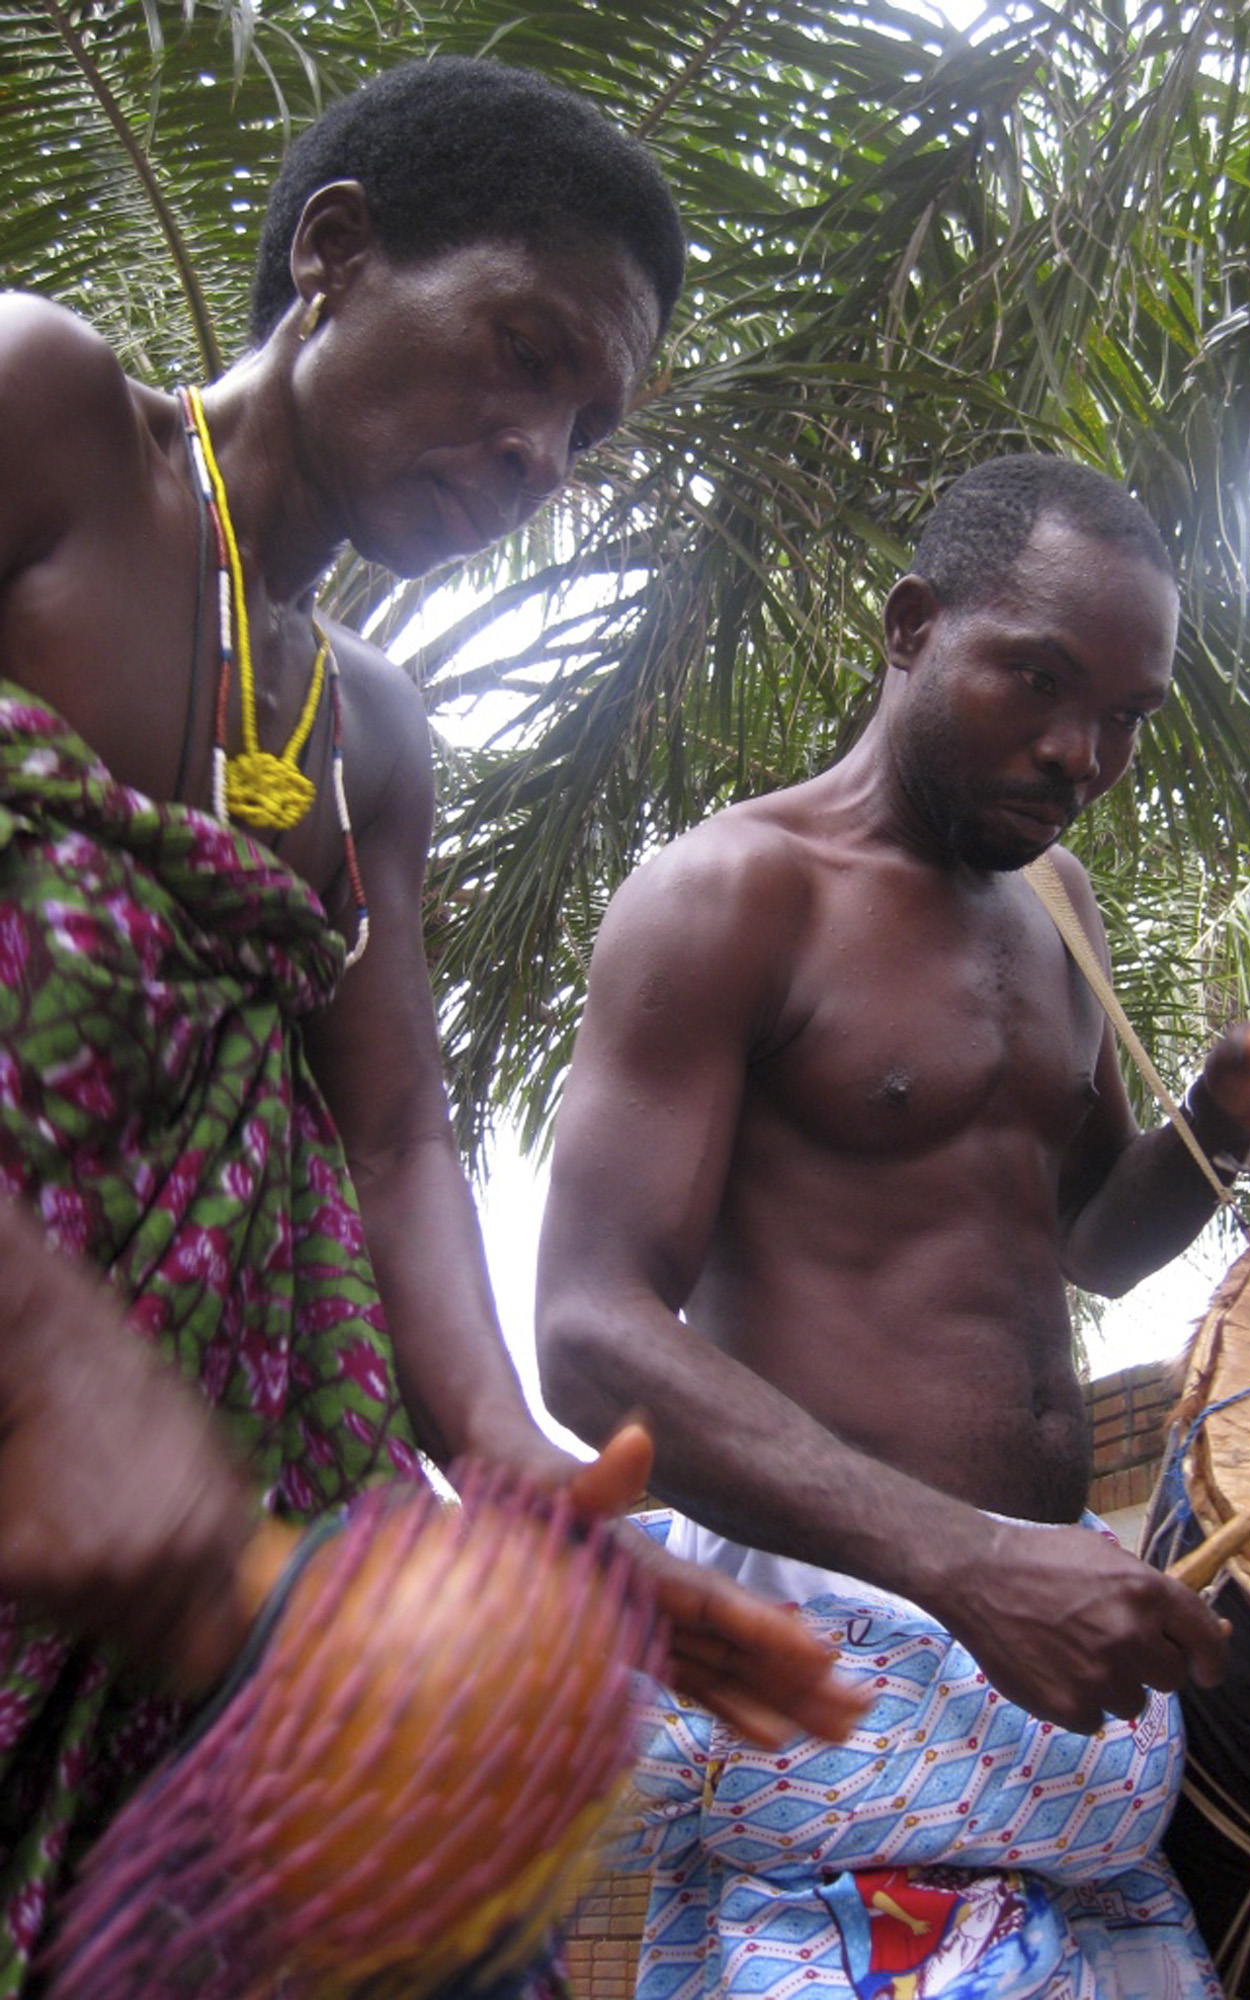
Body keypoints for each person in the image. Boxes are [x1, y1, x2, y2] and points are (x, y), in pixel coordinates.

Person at [0, 55, 859, 1997]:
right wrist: (46, 1364)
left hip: (239, 1505)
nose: (538, 448)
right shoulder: (41, 408)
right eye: (521, 349)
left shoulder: (371, 729)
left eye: (585, 428)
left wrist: (505, 1458)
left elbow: (390, 1134)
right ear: (337, 252)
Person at [533, 453, 1250, 1997]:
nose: (1078, 750)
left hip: (1045, 1668)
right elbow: (589, 1338)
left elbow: (1090, 1243)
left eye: (1123, 714)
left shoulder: (1058, 909)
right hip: (844, 1645)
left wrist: (1223, 1112)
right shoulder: (731, 894)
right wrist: (965, 1564)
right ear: (912, 626)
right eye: (1037, 680)